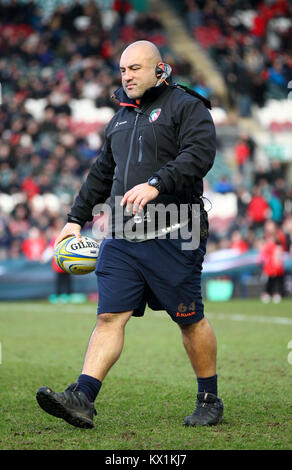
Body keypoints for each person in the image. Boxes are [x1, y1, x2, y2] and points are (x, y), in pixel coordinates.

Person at [36, 40, 223, 428]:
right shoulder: (120, 116)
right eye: (123, 70)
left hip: (176, 230)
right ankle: (82, 397)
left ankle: (209, 397)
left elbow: (199, 154)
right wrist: (75, 218)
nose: (127, 76)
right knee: (109, 317)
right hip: (122, 236)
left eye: (135, 68)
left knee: (189, 320)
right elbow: (102, 173)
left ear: (160, 69)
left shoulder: (187, 106)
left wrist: (157, 183)